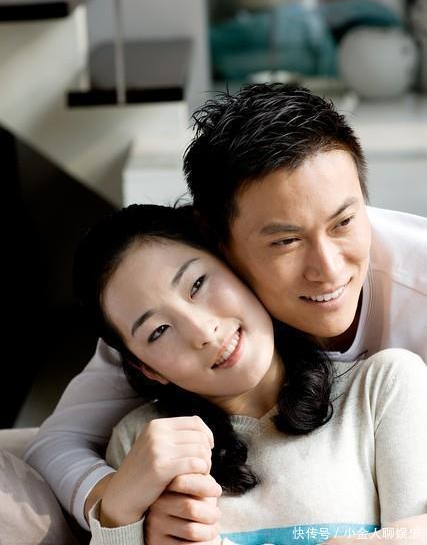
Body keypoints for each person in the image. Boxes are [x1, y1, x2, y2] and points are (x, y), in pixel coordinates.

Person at [25, 84, 427, 543]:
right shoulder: (157, 341)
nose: (329, 270)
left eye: (345, 222)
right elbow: (55, 445)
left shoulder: (391, 367)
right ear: (219, 244)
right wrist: (122, 508)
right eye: (285, 241)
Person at [73, 202, 426, 545]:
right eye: (159, 330)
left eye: (197, 284)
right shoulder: (141, 444)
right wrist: (116, 517)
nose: (203, 331)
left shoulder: (382, 386)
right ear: (148, 369)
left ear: (236, 266)